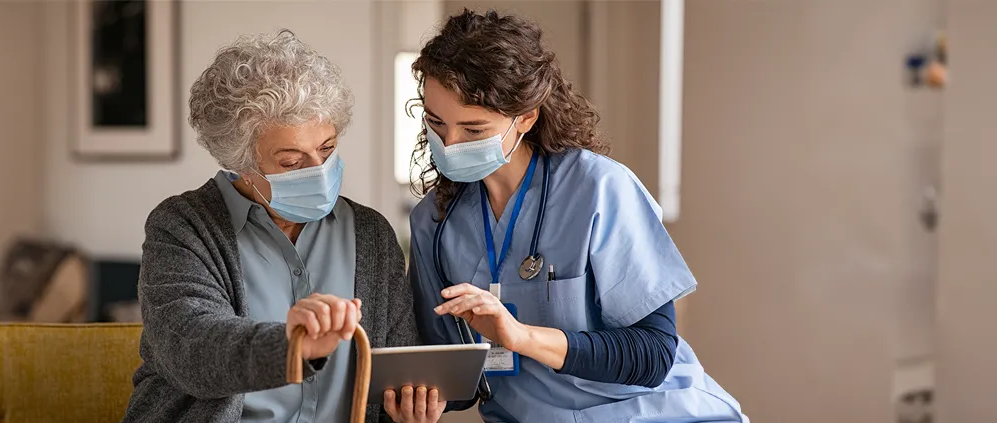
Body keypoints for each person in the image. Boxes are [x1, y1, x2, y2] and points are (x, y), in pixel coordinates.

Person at [405, 10, 748, 423]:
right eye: (437, 123)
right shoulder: (435, 222)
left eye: (474, 130)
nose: (451, 143)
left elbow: (653, 354)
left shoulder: (599, 189)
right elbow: (456, 384)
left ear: (526, 118)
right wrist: (419, 401)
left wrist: (521, 336)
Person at [123, 31, 444, 423]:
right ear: (240, 164)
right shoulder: (183, 227)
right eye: (291, 162)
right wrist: (291, 344)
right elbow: (190, 349)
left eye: (327, 149)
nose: (319, 171)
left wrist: (410, 410)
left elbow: (395, 372)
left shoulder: (371, 233)